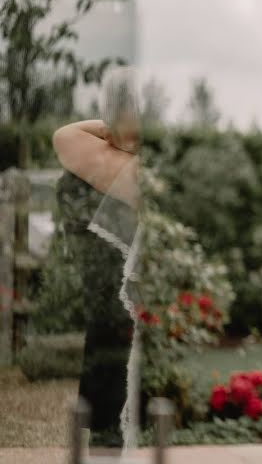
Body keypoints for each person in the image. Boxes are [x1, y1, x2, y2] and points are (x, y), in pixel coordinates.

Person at [52, 69, 143, 453]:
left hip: (110, 271)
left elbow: (64, 134)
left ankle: (105, 431)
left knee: (109, 339)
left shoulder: (105, 157)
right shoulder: (127, 164)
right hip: (117, 271)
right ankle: (108, 430)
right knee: (112, 339)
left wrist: (109, 125)